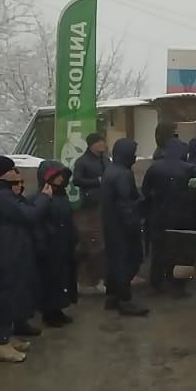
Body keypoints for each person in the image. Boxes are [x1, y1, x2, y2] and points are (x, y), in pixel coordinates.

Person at [0, 156, 52, 363]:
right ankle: (0, 344)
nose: (17, 173)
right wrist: (44, 198)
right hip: (5, 251)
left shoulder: (2, 193)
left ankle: (7, 337)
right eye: (13, 170)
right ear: (3, 173)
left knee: (13, 292)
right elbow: (28, 215)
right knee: (5, 295)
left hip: (11, 249)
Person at [140, 138, 196, 297]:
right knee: (181, 252)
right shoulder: (190, 168)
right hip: (182, 217)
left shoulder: (154, 168)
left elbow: (145, 192)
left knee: (158, 251)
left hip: (159, 215)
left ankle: (156, 284)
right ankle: (178, 286)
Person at [101, 138, 148, 316]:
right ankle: (125, 301)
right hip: (124, 227)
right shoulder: (123, 174)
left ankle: (112, 297)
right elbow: (125, 203)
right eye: (133, 153)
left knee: (114, 261)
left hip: (111, 224)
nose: (135, 157)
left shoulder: (110, 170)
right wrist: (135, 223)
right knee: (128, 262)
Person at [36, 161, 79, 327]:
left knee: (63, 278)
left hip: (64, 243)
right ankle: (49, 312)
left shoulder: (61, 195)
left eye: (62, 176)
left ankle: (58, 309)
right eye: (56, 176)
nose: (60, 179)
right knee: (52, 280)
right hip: (50, 245)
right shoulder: (42, 196)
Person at [72, 133, 109, 293]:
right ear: (92, 144)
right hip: (90, 206)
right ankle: (92, 277)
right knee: (94, 243)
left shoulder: (105, 159)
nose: (103, 144)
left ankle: (101, 276)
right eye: (100, 142)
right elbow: (76, 180)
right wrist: (97, 181)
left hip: (105, 204)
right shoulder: (82, 161)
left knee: (102, 242)